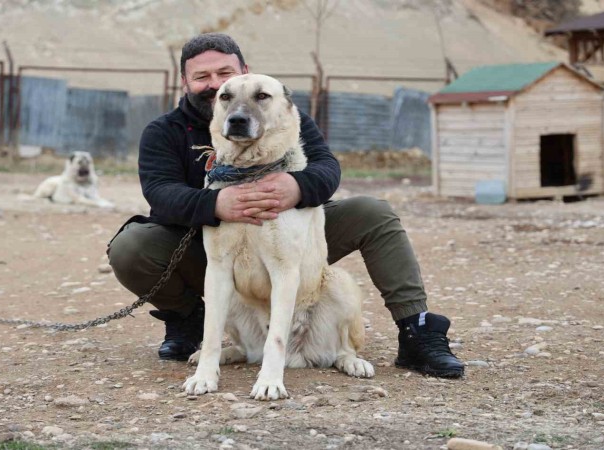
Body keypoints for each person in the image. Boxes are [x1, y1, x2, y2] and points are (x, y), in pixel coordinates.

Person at [107, 33, 464, 378]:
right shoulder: (164, 131)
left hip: (291, 236)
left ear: (245, 71)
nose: (214, 84)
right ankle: (187, 318)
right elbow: (160, 192)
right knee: (131, 246)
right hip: (208, 245)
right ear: (185, 82)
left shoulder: (284, 115)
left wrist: (297, 186)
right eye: (202, 77)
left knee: (374, 213)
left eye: (224, 73)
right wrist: (215, 202)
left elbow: (327, 168)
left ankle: (416, 329)